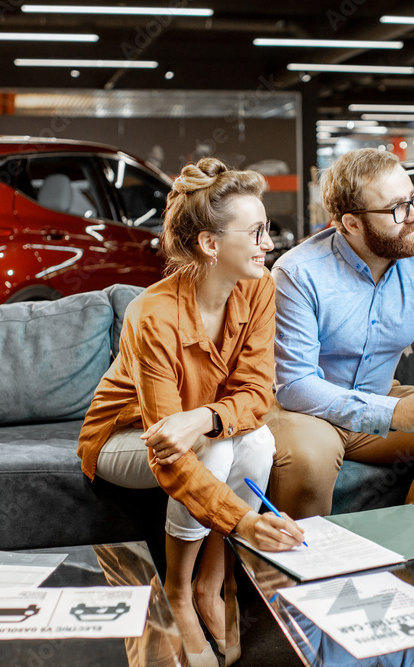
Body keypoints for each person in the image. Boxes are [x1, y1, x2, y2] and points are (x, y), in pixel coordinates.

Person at [77, 157, 304, 667]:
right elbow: (168, 455)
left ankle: (212, 584)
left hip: (195, 427)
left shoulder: (258, 287)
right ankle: (178, 591)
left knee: (257, 440)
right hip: (125, 440)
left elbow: (256, 395)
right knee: (213, 447)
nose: (269, 244)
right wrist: (243, 522)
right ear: (210, 244)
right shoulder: (152, 315)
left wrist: (202, 417)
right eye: (257, 232)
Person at [268, 147, 414, 519]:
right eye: (398, 208)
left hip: (379, 397)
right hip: (307, 412)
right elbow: (295, 385)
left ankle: (410, 545)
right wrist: (394, 412)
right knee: (311, 454)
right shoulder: (298, 272)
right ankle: (304, 570)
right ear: (352, 223)